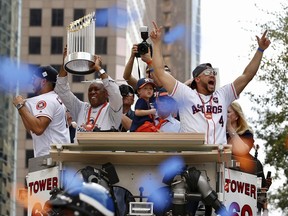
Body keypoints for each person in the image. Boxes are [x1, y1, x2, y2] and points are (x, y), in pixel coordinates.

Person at [149, 21, 271, 145]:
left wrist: (260, 50)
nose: (212, 75)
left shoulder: (223, 95)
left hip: (217, 158)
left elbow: (247, 76)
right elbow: (160, 72)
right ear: (197, 79)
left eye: (213, 73)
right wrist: (157, 43)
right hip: (193, 156)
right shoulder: (185, 94)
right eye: (207, 73)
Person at [55, 48, 122, 137]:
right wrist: (65, 63)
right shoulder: (81, 108)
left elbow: (115, 92)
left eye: (96, 89)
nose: (92, 92)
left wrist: (99, 69)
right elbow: (61, 89)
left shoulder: (113, 110)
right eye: (90, 90)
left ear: (106, 94)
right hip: (80, 150)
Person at [13, 66, 70, 157]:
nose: (32, 82)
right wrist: (22, 110)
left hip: (52, 157)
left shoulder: (47, 100)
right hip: (54, 156)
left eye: (34, 79)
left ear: (43, 81)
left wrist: (21, 107)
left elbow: (38, 129)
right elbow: (32, 130)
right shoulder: (52, 97)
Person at [227, 101, 272, 214]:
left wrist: (229, 128)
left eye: (227, 112)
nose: (224, 114)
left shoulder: (247, 134)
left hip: (243, 196)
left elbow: (242, 150)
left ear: (237, 116)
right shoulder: (218, 132)